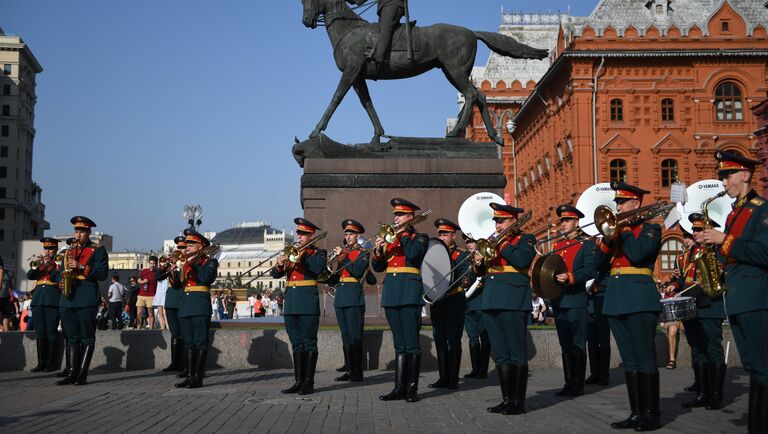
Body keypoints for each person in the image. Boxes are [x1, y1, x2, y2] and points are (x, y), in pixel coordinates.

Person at [701, 150, 768, 432]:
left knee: (763, 369)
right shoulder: (734, 212)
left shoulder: (762, 209)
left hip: (756, 296)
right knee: (754, 368)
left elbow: (764, 253)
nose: (724, 182)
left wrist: (724, 240)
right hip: (739, 298)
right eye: (722, 177)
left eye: (727, 176)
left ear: (746, 174)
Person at [593, 181, 662, 431]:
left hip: (640, 299)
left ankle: (651, 414)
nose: (618, 207)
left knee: (644, 359)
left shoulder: (650, 229)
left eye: (623, 202)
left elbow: (638, 254)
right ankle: (636, 413)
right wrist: (604, 241)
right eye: (617, 202)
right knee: (630, 361)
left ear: (637, 203)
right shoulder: (615, 234)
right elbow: (596, 265)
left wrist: (621, 231)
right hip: (616, 299)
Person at [473, 203, 536, 415]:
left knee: (516, 353)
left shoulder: (526, 239)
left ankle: (518, 401)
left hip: (513, 299)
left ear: (513, 221)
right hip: (491, 299)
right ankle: (507, 399)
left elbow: (522, 260)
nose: (497, 225)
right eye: (496, 221)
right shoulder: (492, 241)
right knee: (500, 354)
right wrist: (479, 261)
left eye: (501, 221)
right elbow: (480, 273)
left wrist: (502, 243)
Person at [666, 215, 727, 410]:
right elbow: (681, 280)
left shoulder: (718, 251)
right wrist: (673, 285)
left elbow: (723, 274)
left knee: (713, 349)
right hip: (690, 307)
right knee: (697, 350)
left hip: (710, 305)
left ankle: (716, 395)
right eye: (694, 230)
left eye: (699, 230)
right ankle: (701, 393)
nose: (695, 233)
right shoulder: (685, 255)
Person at [373, 198, 428, 403]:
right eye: (395, 214)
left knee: (412, 344)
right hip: (392, 294)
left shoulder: (419, 237)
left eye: (400, 215)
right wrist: (379, 250)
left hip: (409, 293)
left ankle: (412, 389)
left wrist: (403, 233)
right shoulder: (390, 239)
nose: (395, 218)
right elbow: (378, 268)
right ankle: (399, 388)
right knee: (399, 345)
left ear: (410, 217)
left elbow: (414, 255)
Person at [271, 218, 327, 395]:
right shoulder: (291, 252)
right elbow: (275, 275)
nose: (299, 236)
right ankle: (298, 381)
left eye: (303, 233)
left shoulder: (318, 253)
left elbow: (318, 269)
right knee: (296, 344)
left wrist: (302, 257)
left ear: (312, 235)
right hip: (291, 303)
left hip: (308, 302)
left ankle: (308, 382)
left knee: (309, 343)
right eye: (299, 233)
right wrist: (280, 264)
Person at [56, 216, 109, 386]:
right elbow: (60, 271)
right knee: (71, 337)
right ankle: (71, 372)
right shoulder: (68, 250)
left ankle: (82, 375)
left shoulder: (98, 250)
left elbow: (102, 274)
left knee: (87, 337)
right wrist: (60, 280)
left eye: (82, 231)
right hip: (68, 297)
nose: (78, 234)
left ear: (89, 233)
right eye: (76, 231)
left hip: (86, 296)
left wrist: (80, 267)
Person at [550, 204, 597, 398]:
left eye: (567, 220)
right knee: (565, 344)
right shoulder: (557, 245)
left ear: (576, 222)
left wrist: (571, 277)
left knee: (578, 344)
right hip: (559, 300)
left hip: (576, 299)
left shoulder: (586, 243)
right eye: (562, 220)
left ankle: (578, 385)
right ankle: (568, 382)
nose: (563, 224)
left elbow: (591, 270)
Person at [171, 228, 218, 389]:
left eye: (191, 244)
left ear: (201, 246)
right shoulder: (185, 262)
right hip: (185, 305)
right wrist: (174, 270)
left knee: (200, 342)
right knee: (189, 343)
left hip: (199, 304)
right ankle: (189, 376)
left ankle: (198, 377)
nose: (187, 247)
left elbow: (206, 278)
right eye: (187, 244)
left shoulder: (209, 261)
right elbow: (177, 285)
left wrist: (194, 263)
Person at [428, 218, 467, 390]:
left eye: (445, 234)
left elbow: (467, 276)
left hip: (454, 301)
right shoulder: (433, 255)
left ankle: (453, 377)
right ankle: (442, 376)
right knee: (439, 340)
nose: (442, 237)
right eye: (440, 234)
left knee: (453, 340)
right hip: (438, 302)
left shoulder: (461, 254)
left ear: (453, 235)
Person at [330, 219, 370, 383]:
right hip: (341, 296)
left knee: (355, 336)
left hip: (354, 296)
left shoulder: (363, 252)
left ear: (357, 235)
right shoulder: (343, 252)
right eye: (346, 234)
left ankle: (357, 372)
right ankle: (348, 369)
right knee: (346, 336)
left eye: (351, 234)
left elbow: (357, 270)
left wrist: (344, 257)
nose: (348, 237)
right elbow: (335, 276)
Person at [27, 238, 62, 372]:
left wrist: (49, 266)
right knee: (40, 332)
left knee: (51, 331)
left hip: (52, 300)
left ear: (55, 249)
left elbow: (57, 278)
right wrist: (37, 265)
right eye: (46, 248)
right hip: (38, 300)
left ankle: (50, 362)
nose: (48, 251)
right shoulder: (40, 262)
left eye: (51, 248)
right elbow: (30, 275)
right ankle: (41, 362)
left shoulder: (59, 262)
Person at [462, 235, 491, 380]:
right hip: (468, 305)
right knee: (472, 338)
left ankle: (483, 370)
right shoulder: (465, 259)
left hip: (483, 302)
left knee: (484, 338)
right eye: (467, 242)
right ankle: (475, 369)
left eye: (472, 241)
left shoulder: (486, 257)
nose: (470, 244)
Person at [160, 235, 187, 374]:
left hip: (182, 299)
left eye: (183, 247)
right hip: (171, 300)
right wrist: (166, 266)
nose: (181, 249)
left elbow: (179, 282)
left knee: (183, 333)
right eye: (179, 247)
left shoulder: (188, 262)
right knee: (174, 333)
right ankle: (174, 362)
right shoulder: (172, 262)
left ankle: (184, 363)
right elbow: (159, 276)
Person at [586, 266, 611, 386]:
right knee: (591, 341)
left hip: (602, 299)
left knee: (603, 340)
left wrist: (598, 286)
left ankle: (604, 375)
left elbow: (609, 273)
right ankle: (594, 373)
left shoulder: (605, 252)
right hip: (589, 301)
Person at [137, 256, 158, 330]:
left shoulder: (157, 272)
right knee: (139, 313)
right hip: (141, 295)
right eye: (151, 263)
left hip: (151, 296)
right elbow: (138, 280)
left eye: (154, 263)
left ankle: (151, 329)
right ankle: (138, 329)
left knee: (150, 313)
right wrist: (143, 281)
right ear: (149, 263)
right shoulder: (144, 271)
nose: (152, 265)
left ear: (156, 264)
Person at [0, 257, 12, 332]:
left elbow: (10, 288)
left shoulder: (7, 277)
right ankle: (3, 329)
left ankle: (6, 333)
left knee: (6, 315)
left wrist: (11, 295)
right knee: (5, 315)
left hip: (5, 297)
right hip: (4, 297)